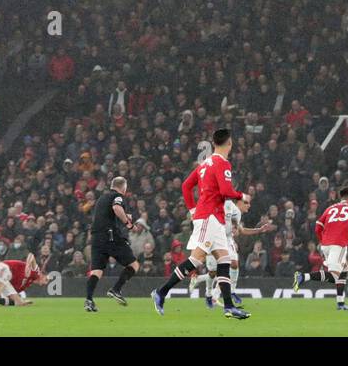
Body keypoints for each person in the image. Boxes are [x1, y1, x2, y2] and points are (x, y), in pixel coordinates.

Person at [153, 128, 251, 319]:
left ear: (214, 143)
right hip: (210, 218)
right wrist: (242, 195)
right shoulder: (223, 163)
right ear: (229, 143)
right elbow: (226, 190)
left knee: (224, 261)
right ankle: (161, 292)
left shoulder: (205, 163)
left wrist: (192, 209)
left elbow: (186, 186)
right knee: (196, 260)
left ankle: (229, 307)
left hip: (212, 218)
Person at [293, 186, 348, 311]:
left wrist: (322, 241)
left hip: (326, 244)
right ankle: (303, 277)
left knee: (343, 270)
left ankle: (340, 303)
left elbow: (318, 226)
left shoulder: (330, 208)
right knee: (335, 276)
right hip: (338, 244)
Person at [191, 194, 273, 308]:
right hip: (213, 239)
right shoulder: (219, 204)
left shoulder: (236, 213)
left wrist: (259, 230)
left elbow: (241, 230)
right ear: (239, 202)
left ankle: (230, 291)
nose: (249, 206)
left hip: (227, 240)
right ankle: (209, 293)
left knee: (234, 264)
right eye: (246, 203)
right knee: (213, 272)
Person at [84, 176, 140, 312]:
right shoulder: (118, 196)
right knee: (134, 265)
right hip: (109, 236)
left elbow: (108, 214)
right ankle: (116, 289)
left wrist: (124, 215)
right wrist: (129, 224)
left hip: (96, 237)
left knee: (96, 270)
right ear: (123, 187)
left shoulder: (102, 198)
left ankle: (89, 300)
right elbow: (116, 207)